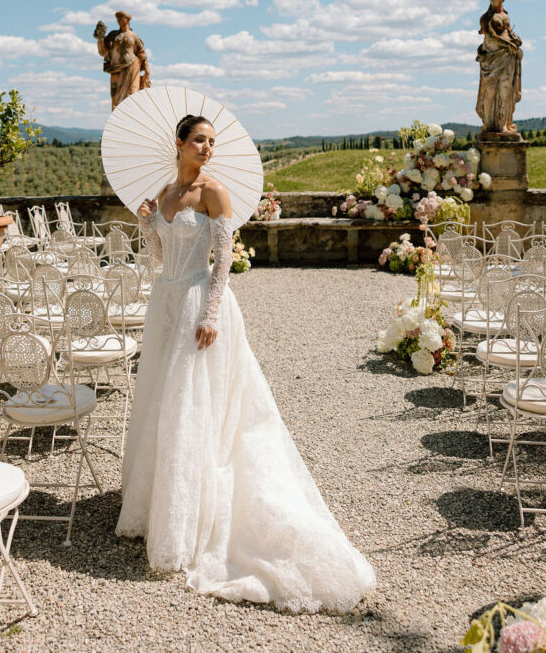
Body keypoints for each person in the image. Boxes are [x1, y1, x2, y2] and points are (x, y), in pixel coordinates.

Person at [116, 114, 376, 612]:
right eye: (199, 140)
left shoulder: (214, 192)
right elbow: (160, 256)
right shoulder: (165, 192)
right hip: (165, 303)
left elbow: (222, 261)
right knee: (163, 399)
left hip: (198, 304)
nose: (206, 148)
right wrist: (148, 223)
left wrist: (211, 313)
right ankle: (161, 505)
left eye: (211, 142)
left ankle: (194, 517)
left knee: (193, 404)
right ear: (179, 143)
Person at [475, 0, 523, 135]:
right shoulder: (486, 18)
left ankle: (503, 125)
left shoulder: (506, 16)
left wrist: (515, 40)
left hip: (507, 57)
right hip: (492, 58)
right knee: (490, 91)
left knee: (505, 90)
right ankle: (489, 124)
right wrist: (509, 45)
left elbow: (508, 32)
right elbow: (491, 36)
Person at [94, 10, 151, 110]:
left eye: (121, 18)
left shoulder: (133, 36)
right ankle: (118, 118)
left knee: (132, 94)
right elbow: (103, 52)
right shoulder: (113, 35)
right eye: (118, 18)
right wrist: (100, 39)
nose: (119, 20)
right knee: (115, 97)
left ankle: (131, 117)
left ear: (127, 20)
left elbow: (141, 53)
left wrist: (146, 70)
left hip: (132, 67)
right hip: (116, 69)